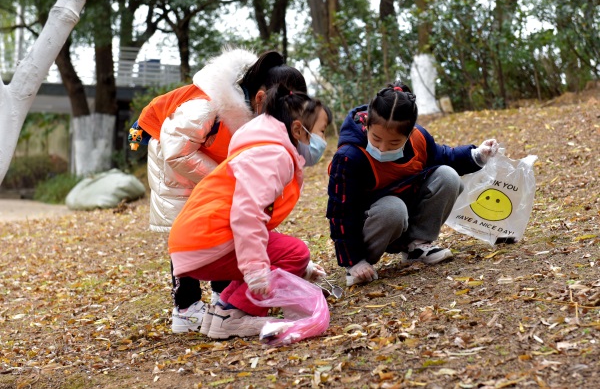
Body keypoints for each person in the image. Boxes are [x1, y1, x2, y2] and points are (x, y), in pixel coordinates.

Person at [128, 48, 308, 333]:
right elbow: (176, 151)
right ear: (261, 98)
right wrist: (225, 177)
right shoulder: (206, 105)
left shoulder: (248, 111)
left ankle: (221, 296)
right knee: (185, 234)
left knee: (221, 226)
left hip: (206, 164)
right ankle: (185, 308)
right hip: (175, 170)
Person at [168, 85, 331, 339]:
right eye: (321, 131)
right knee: (296, 253)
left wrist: (295, 268)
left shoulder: (259, 148)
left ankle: (222, 313)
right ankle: (237, 314)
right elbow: (248, 214)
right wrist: (256, 269)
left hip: (194, 240)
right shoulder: (273, 155)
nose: (324, 141)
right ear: (298, 130)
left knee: (275, 254)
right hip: (209, 240)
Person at [326, 81, 499, 286]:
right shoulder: (349, 157)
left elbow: (445, 156)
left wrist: (477, 155)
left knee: (447, 176)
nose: (382, 148)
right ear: (367, 125)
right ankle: (361, 264)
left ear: (409, 135)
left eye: (394, 143)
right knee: (393, 208)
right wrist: (352, 260)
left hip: (407, 216)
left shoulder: (419, 140)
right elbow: (341, 212)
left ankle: (416, 246)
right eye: (376, 138)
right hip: (372, 226)